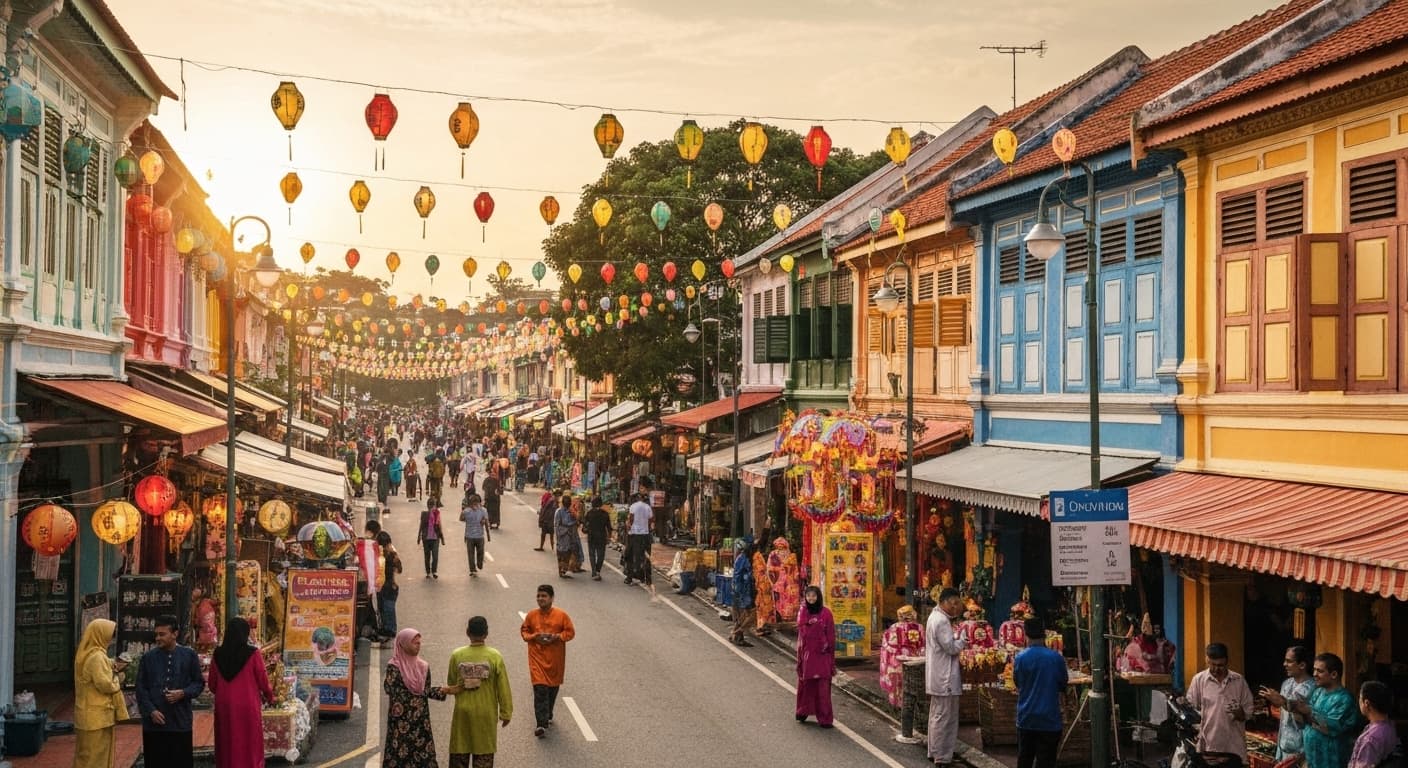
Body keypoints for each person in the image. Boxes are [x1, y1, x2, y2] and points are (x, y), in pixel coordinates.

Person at [135, 614, 205, 768]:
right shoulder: (148, 658)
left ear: (175, 634)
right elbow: (141, 688)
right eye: (156, 634)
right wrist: (151, 711)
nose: (158, 638)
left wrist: (183, 693)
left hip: (180, 721)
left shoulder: (189, 655)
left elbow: (199, 683)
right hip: (154, 724)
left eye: (162, 634)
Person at [208, 618, 274, 768]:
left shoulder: (217, 654)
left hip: (224, 705)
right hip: (247, 704)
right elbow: (263, 680)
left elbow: (212, 684)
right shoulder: (253, 653)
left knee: (226, 739)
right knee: (249, 740)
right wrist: (270, 696)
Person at [383, 628, 454, 768]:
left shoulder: (423, 666)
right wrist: (437, 691)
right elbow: (392, 690)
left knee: (423, 758)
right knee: (399, 758)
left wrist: (445, 691)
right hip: (400, 723)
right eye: (415, 643)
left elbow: (424, 691)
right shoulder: (394, 666)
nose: (418, 646)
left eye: (419, 643)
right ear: (402, 644)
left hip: (420, 723)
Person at [448, 616, 513, 767]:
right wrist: (506, 713)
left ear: (467, 632)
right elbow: (503, 688)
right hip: (485, 715)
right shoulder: (495, 656)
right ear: (486, 634)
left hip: (462, 714)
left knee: (460, 753)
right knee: (483, 756)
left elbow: (452, 683)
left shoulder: (457, 655)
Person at [1185, 642, 1256, 763]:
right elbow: (1191, 710)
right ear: (1207, 659)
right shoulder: (1199, 680)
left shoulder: (1238, 681)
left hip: (1234, 747)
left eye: (1221, 665)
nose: (1217, 669)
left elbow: (1249, 711)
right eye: (1213, 664)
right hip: (1209, 746)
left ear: (1227, 661)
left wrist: (1241, 714)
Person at [520, 584, 576, 737]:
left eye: (544, 596)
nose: (540, 599)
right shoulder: (531, 615)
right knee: (540, 689)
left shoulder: (561, 615)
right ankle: (541, 724)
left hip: (555, 659)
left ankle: (548, 713)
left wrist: (557, 637)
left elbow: (570, 633)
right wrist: (534, 637)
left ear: (551, 598)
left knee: (552, 689)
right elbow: (524, 631)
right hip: (536, 658)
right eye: (538, 596)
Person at [1012, 616, 1068, 768]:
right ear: (1044, 635)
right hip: (1049, 719)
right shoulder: (1056, 658)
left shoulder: (1020, 658)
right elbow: (1063, 684)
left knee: (1025, 758)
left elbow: (1017, 682)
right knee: (1046, 761)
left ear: (1026, 635)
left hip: (1026, 718)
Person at [1286, 652, 1358, 768]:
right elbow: (1307, 722)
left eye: (1320, 671)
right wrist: (1295, 709)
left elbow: (1332, 726)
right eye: (1314, 670)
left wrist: (1308, 711)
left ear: (1334, 674)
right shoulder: (1318, 692)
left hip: (1331, 761)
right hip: (1312, 760)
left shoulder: (1344, 699)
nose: (1314, 674)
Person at [73, 619, 128, 768]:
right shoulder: (97, 657)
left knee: (85, 756)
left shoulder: (86, 654)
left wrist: (112, 664)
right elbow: (106, 685)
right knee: (96, 759)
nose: (110, 639)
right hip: (97, 717)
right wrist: (118, 678)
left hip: (88, 715)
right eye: (110, 635)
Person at [926, 587, 968, 767]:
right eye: (956, 603)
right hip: (945, 677)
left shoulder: (935, 617)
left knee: (937, 714)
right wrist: (963, 641)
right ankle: (942, 756)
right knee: (945, 716)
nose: (957, 607)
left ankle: (934, 750)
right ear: (948, 602)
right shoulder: (942, 621)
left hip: (938, 673)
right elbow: (950, 648)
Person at [1259, 645, 1315, 764]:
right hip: (1284, 746)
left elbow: (1309, 718)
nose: (1284, 664)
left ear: (1302, 665)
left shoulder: (1313, 688)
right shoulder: (1286, 684)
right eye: (1285, 660)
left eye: (1289, 661)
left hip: (1302, 750)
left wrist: (1283, 702)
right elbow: (1283, 719)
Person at [794, 585, 836, 727]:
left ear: (818, 597)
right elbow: (802, 631)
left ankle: (825, 718)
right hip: (807, 655)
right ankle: (802, 712)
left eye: (814, 596)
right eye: (808, 596)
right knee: (806, 685)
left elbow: (831, 636)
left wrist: (830, 655)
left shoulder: (826, 614)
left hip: (823, 655)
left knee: (823, 687)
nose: (811, 598)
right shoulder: (803, 612)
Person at [879, 605, 926, 708]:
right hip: (914, 659)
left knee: (897, 683)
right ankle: (911, 705)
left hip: (896, 660)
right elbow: (923, 644)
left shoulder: (893, 627)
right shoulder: (920, 627)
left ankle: (897, 705)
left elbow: (886, 645)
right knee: (911, 683)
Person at [1348, 680, 1399, 768]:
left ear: (1366, 703)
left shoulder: (1371, 739)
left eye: (1360, 698)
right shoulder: (1390, 726)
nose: (1358, 702)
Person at [375, 531, 402, 643]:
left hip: (390, 586)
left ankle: (390, 630)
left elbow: (399, 570)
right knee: (382, 608)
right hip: (380, 586)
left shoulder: (392, 554)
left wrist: (395, 557)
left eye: (386, 545)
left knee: (389, 608)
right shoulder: (376, 554)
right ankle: (384, 628)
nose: (385, 547)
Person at [767, 538, 800, 623]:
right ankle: (782, 616)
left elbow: (795, 570)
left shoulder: (790, 555)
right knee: (781, 599)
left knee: (785, 599)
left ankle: (785, 616)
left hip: (785, 581)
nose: (780, 548)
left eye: (782, 545)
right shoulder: (775, 554)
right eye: (779, 545)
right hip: (782, 581)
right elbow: (769, 568)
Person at [730, 540, 756, 646]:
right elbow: (742, 576)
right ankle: (738, 632)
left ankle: (736, 635)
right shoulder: (743, 559)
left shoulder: (740, 558)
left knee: (744, 614)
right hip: (743, 591)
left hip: (740, 590)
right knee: (752, 614)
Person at [625, 492, 653, 586]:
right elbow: (650, 521)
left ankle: (629, 578)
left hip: (634, 534)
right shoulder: (648, 507)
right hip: (645, 534)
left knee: (630, 556)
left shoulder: (633, 506)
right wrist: (646, 529)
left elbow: (631, 519)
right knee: (645, 556)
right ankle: (647, 579)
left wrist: (628, 529)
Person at [460, 494, 490, 578]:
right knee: (471, 554)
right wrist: (464, 515)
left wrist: (487, 533)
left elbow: (486, 522)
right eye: (473, 504)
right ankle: (472, 570)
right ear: (470, 504)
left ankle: (479, 563)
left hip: (480, 536)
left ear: (479, 503)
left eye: (477, 504)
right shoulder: (467, 511)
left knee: (480, 552)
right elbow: (461, 518)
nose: (475, 506)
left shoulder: (483, 510)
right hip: (469, 536)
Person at [584, 496, 612, 580]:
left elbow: (585, 526)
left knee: (592, 555)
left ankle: (594, 572)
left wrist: (586, 530)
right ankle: (598, 570)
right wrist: (609, 537)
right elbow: (609, 527)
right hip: (601, 537)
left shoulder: (589, 513)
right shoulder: (605, 514)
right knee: (601, 555)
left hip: (591, 536)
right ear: (601, 504)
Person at [554, 494, 581, 579]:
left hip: (569, 537)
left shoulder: (570, 512)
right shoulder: (559, 512)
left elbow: (575, 522)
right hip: (562, 536)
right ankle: (561, 571)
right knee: (561, 554)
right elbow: (557, 525)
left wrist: (575, 518)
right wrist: (565, 530)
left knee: (567, 554)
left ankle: (563, 570)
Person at [417, 500, 444, 579]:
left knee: (435, 556)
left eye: (434, 506)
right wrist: (418, 536)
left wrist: (442, 538)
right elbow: (421, 525)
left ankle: (434, 571)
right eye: (432, 506)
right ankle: (428, 572)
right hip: (426, 538)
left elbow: (439, 525)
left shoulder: (437, 514)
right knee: (427, 556)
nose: (433, 507)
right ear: (428, 506)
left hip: (435, 538)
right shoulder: (424, 514)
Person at [753, 542, 775, 635]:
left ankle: (765, 626)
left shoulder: (757, 557)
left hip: (764, 587)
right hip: (763, 587)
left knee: (765, 608)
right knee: (763, 608)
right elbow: (760, 572)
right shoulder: (757, 557)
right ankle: (762, 626)